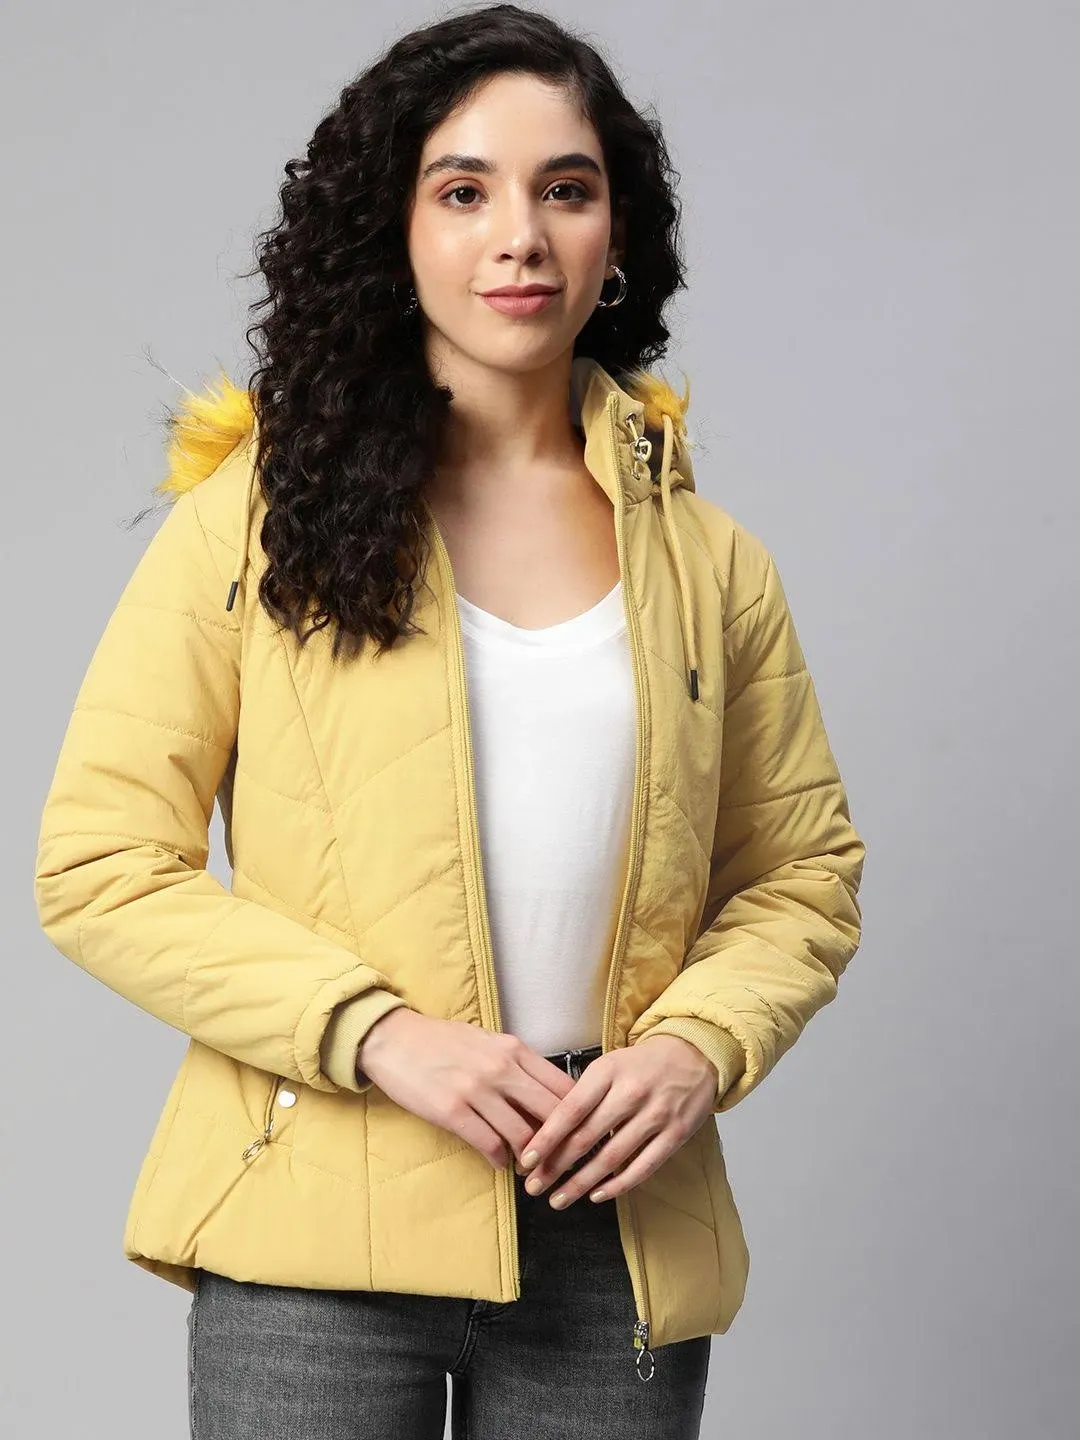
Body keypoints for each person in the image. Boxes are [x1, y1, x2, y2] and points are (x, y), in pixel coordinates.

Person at [33, 5, 866, 1436]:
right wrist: (374, 1034)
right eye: (464, 190)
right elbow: (99, 863)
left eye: (566, 189)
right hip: (313, 1223)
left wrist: (694, 1048)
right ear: (397, 232)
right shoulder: (256, 520)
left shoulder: (712, 563)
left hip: (612, 1223)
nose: (520, 238)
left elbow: (803, 877)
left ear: (616, 235)